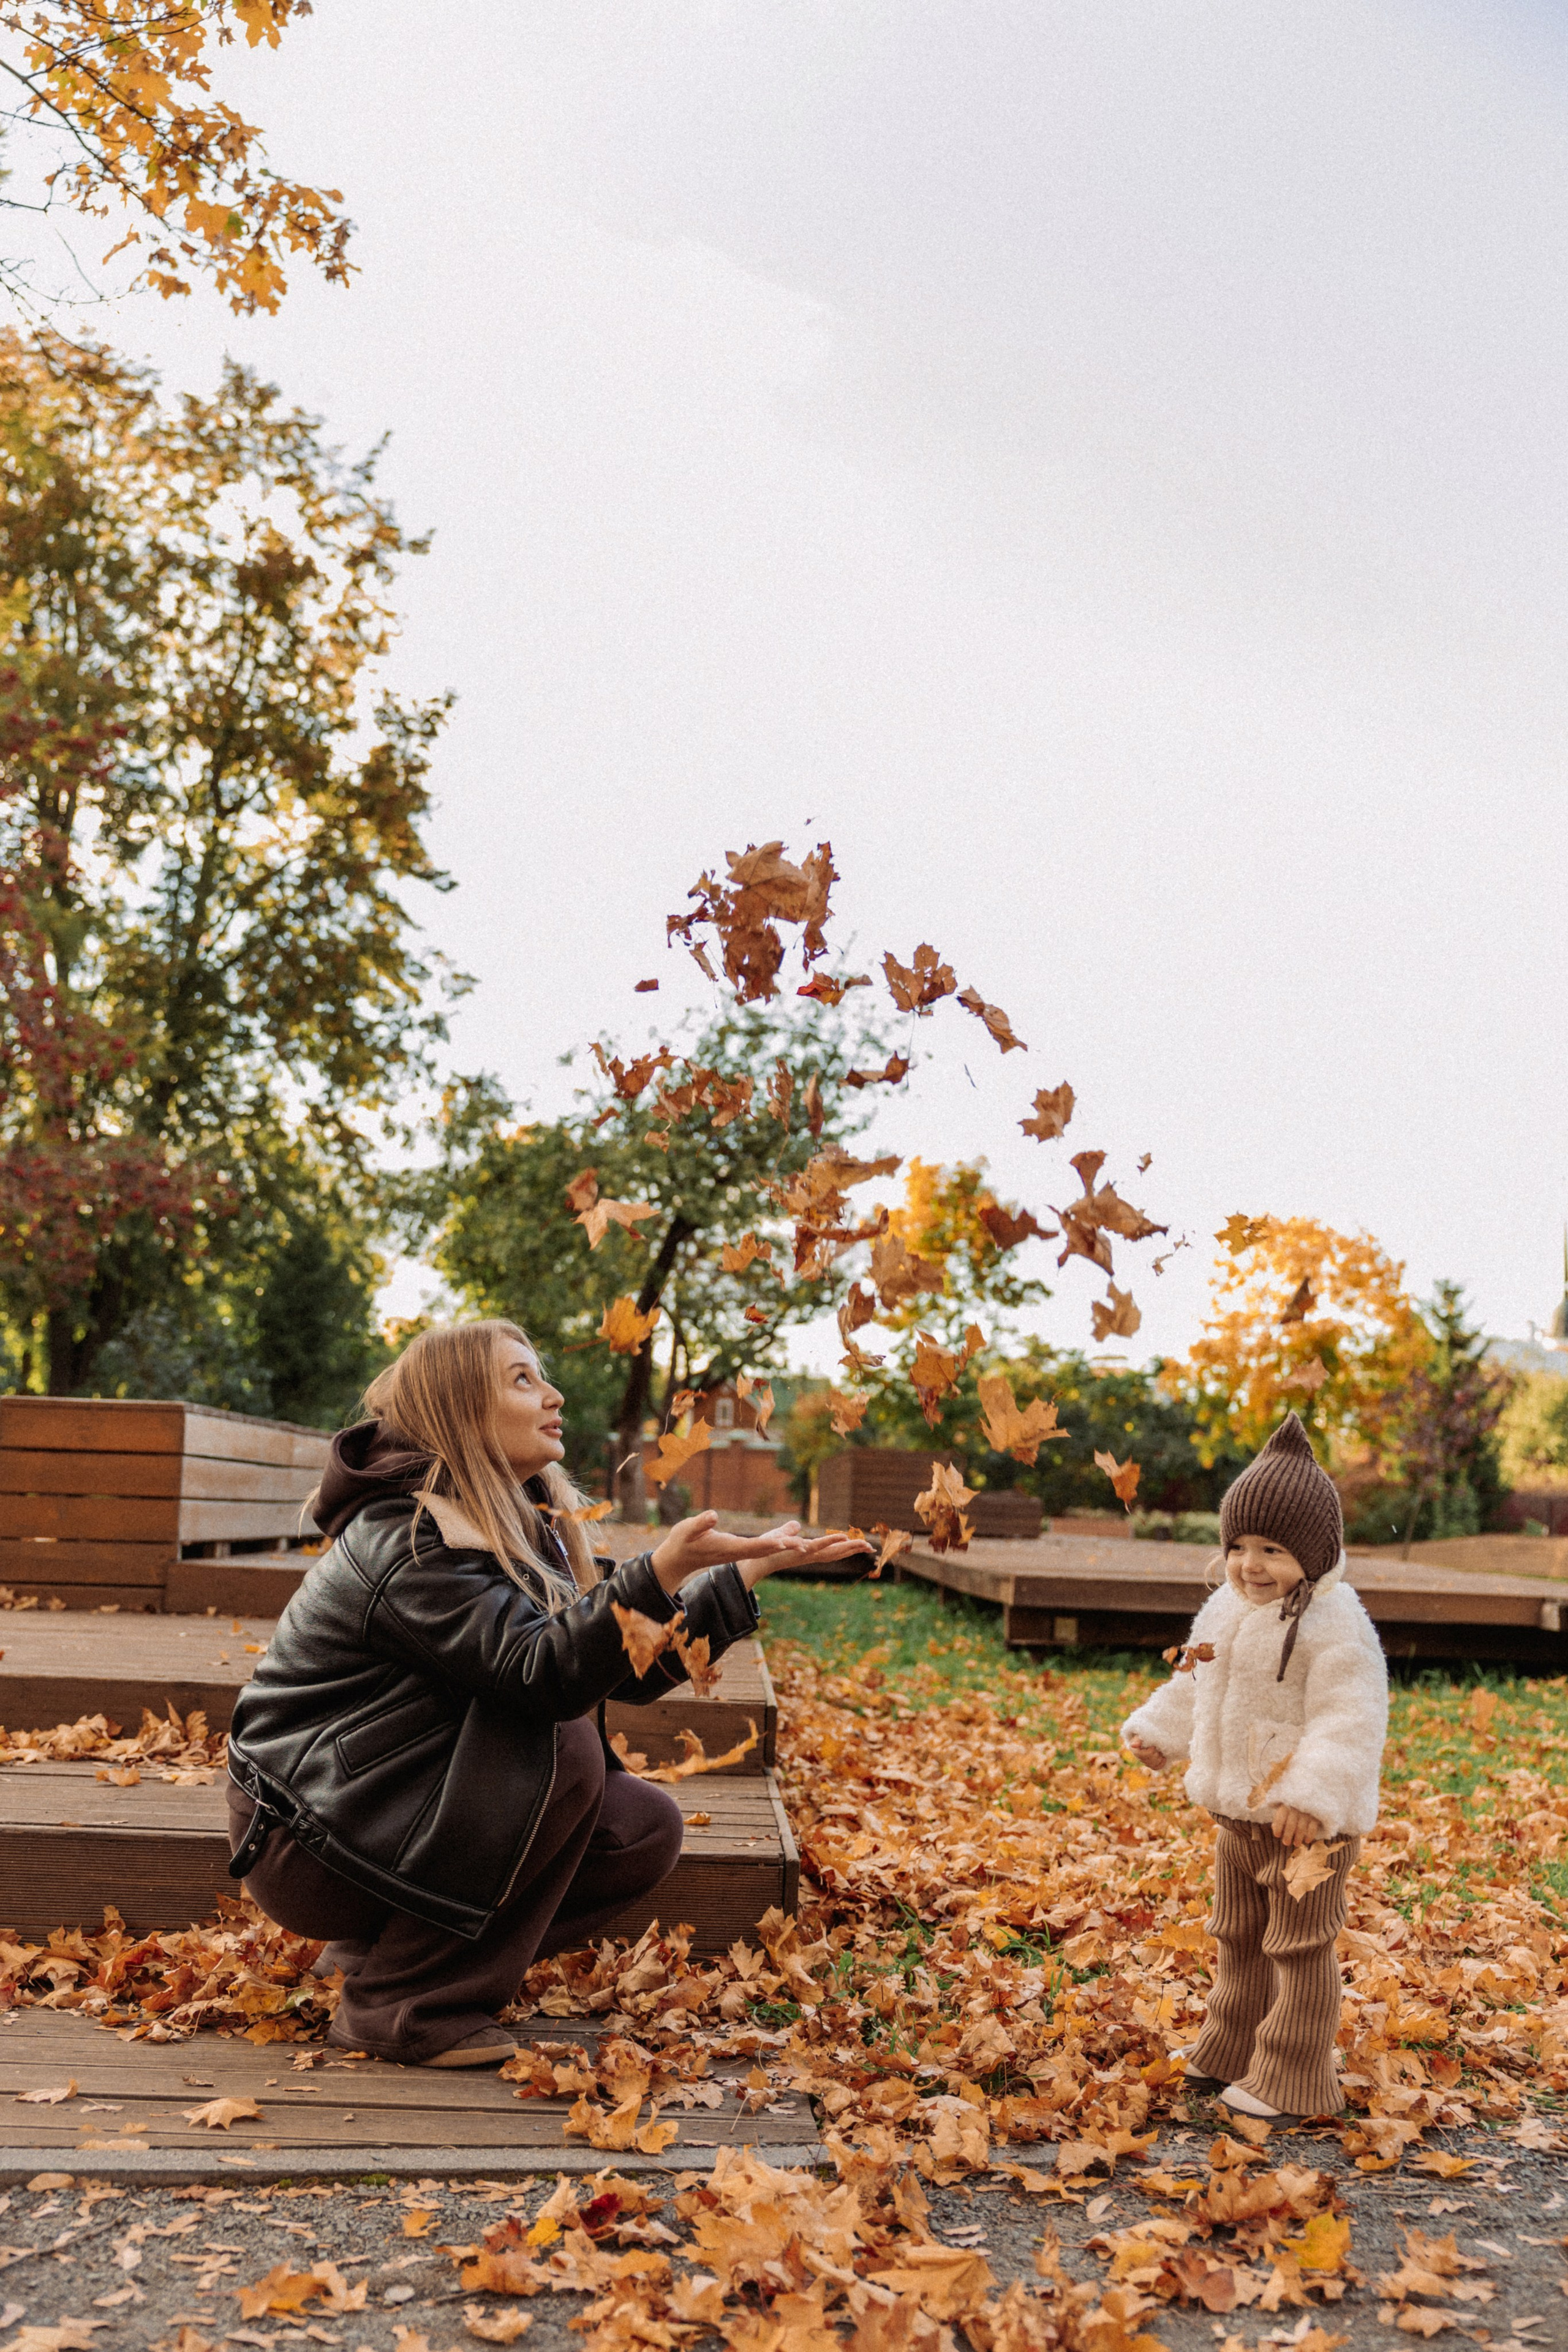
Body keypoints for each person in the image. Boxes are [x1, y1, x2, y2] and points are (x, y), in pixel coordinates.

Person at [226, 1319, 861, 2067]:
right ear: (459, 1406)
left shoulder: (511, 1521)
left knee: (639, 1828)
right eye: (522, 1379)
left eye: (541, 1374)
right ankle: (403, 2009)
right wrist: (656, 1569)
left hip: (374, 1812)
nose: (553, 1394)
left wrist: (738, 1579)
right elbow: (545, 1673)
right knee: (557, 1743)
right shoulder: (409, 1537)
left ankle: (383, 1957)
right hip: (309, 1836)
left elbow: (608, 1666)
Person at [1119, 1411, 1387, 2118]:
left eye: (1271, 1548)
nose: (1250, 1564)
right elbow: (1194, 1688)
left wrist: (1314, 1794)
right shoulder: (1223, 1611)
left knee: (1298, 1948)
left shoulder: (1336, 1627)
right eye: (1237, 1546)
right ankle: (1233, 2045)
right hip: (1237, 1818)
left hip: (1306, 1827)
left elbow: (1350, 1719)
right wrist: (1158, 1732)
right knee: (1236, 1936)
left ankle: (1294, 2076)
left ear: (1315, 1552)